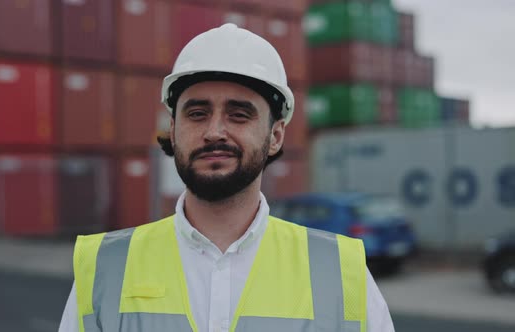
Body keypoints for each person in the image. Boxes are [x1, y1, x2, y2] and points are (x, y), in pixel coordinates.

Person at [58, 23, 394, 332]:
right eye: (197, 113)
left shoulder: (342, 274)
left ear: (276, 136)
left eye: (238, 114)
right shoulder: (103, 268)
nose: (214, 131)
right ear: (173, 131)